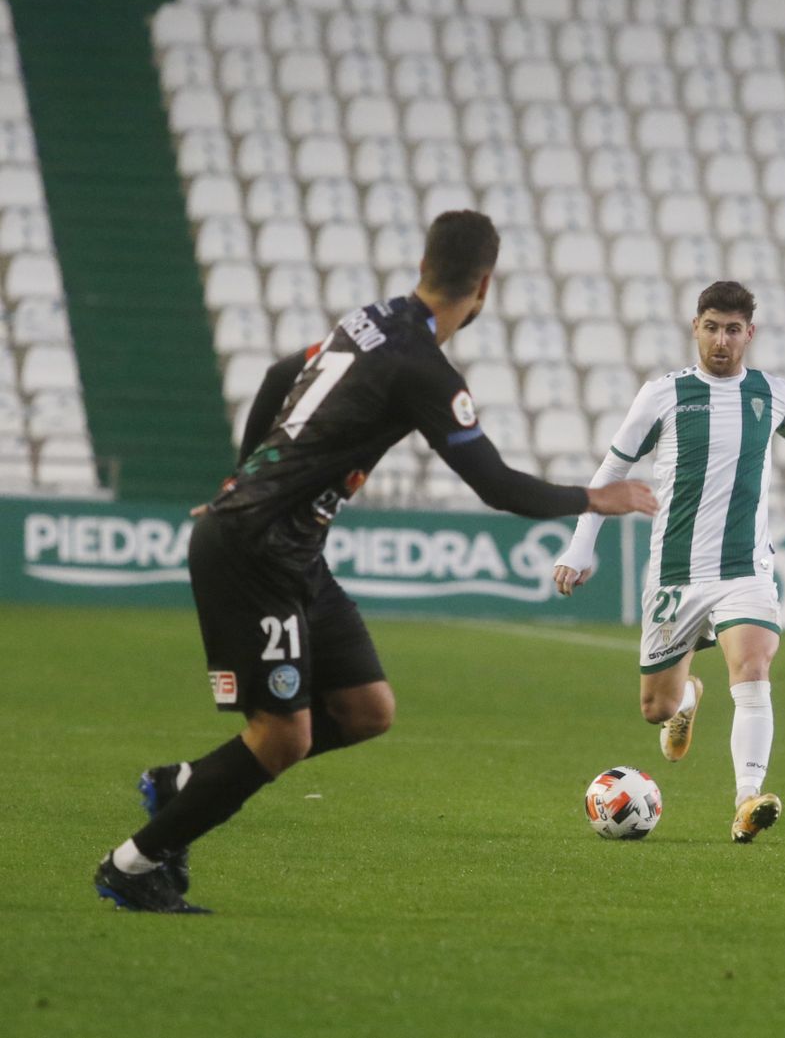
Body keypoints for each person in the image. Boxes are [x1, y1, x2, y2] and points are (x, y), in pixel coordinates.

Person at [94, 211, 657, 913]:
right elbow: (496, 484)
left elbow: (277, 374)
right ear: (484, 285)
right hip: (255, 549)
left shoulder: (371, 318)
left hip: (290, 545)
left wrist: (241, 479)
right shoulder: (423, 368)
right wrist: (596, 496)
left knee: (366, 709)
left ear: (425, 265)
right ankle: (132, 864)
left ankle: (185, 783)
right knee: (282, 735)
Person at [553, 280, 785, 843]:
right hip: (674, 574)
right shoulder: (662, 395)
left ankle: (746, 799)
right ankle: (687, 698)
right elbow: (610, 471)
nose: (722, 340)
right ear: (695, 328)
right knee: (655, 708)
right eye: (712, 327)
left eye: (733, 329)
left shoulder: (772, 394)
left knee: (754, 669)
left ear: (749, 334)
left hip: (745, 569)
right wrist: (582, 543)